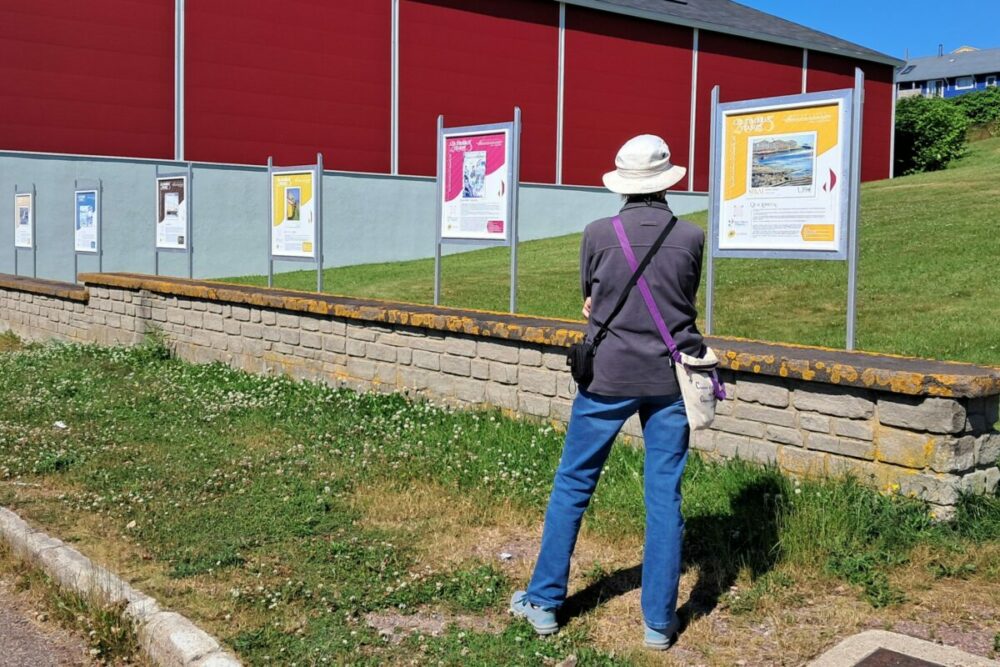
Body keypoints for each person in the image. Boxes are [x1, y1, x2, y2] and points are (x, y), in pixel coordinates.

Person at [510, 134, 705, 650]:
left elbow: (591, 297)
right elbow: (681, 300)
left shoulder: (598, 233)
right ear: (667, 181)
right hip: (669, 379)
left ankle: (544, 601)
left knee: (574, 482)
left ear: (622, 183)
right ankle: (659, 623)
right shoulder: (691, 236)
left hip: (607, 377)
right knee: (664, 494)